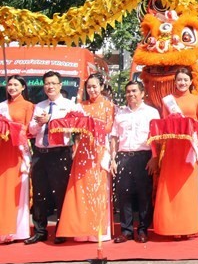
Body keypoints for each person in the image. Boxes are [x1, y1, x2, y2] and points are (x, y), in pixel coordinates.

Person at [57, 73, 115, 242]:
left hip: (99, 150)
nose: (92, 90)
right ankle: (82, 228)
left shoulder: (108, 106)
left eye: (95, 86)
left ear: (102, 87)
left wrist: (94, 125)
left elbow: (109, 128)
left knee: (98, 187)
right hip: (83, 150)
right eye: (89, 87)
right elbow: (75, 129)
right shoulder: (80, 106)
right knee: (81, 188)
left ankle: (98, 230)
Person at [151, 67, 198, 239]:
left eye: (185, 80)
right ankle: (173, 226)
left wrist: (191, 127)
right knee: (172, 187)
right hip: (173, 150)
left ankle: (189, 225)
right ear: (175, 82)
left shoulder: (197, 100)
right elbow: (164, 123)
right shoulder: (168, 101)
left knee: (189, 189)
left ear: (191, 82)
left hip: (190, 150)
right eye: (179, 80)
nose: (182, 83)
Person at [26, 71, 79, 244]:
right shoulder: (39, 105)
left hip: (60, 153)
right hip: (41, 153)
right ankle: (40, 230)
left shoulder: (70, 105)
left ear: (60, 85)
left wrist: (54, 120)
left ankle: (61, 230)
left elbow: (77, 126)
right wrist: (40, 122)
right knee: (40, 193)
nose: (50, 86)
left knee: (60, 193)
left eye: (54, 83)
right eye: (47, 83)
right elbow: (31, 131)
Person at [110, 81, 160, 243]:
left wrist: (154, 158)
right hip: (123, 157)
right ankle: (126, 230)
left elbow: (156, 138)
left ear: (142, 93)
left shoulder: (152, 113)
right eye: (128, 92)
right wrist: (112, 159)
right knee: (123, 194)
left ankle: (143, 229)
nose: (131, 94)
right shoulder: (120, 114)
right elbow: (114, 138)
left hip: (143, 157)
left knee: (143, 194)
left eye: (134, 91)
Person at [0, 76, 34, 244]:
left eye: (15, 84)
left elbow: (30, 130)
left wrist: (11, 126)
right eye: (9, 84)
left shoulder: (28, 106)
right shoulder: (2, 106)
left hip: (18, 152)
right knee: (2, 190)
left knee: (17, 191)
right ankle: (3, 228)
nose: (12, 87)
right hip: (3, 151)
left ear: (22, 88)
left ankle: (18, 230)